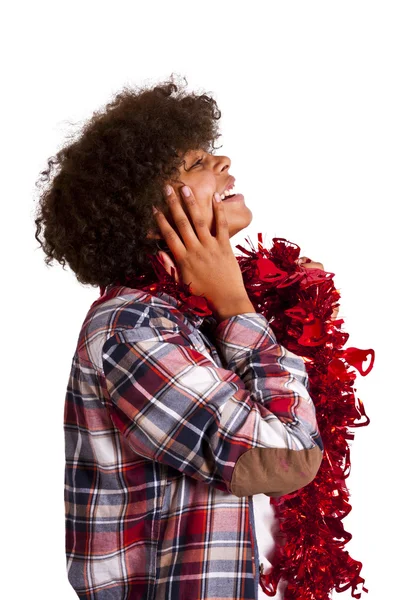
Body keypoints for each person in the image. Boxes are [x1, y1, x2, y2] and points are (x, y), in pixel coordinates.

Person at [34, 77, 326, 600]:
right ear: (149, 217)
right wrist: (237, 304)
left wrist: (269, 307)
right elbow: (286, 457)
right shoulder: (135, 328)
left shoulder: (195, 317)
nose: (223, 162)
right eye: (195, 164)